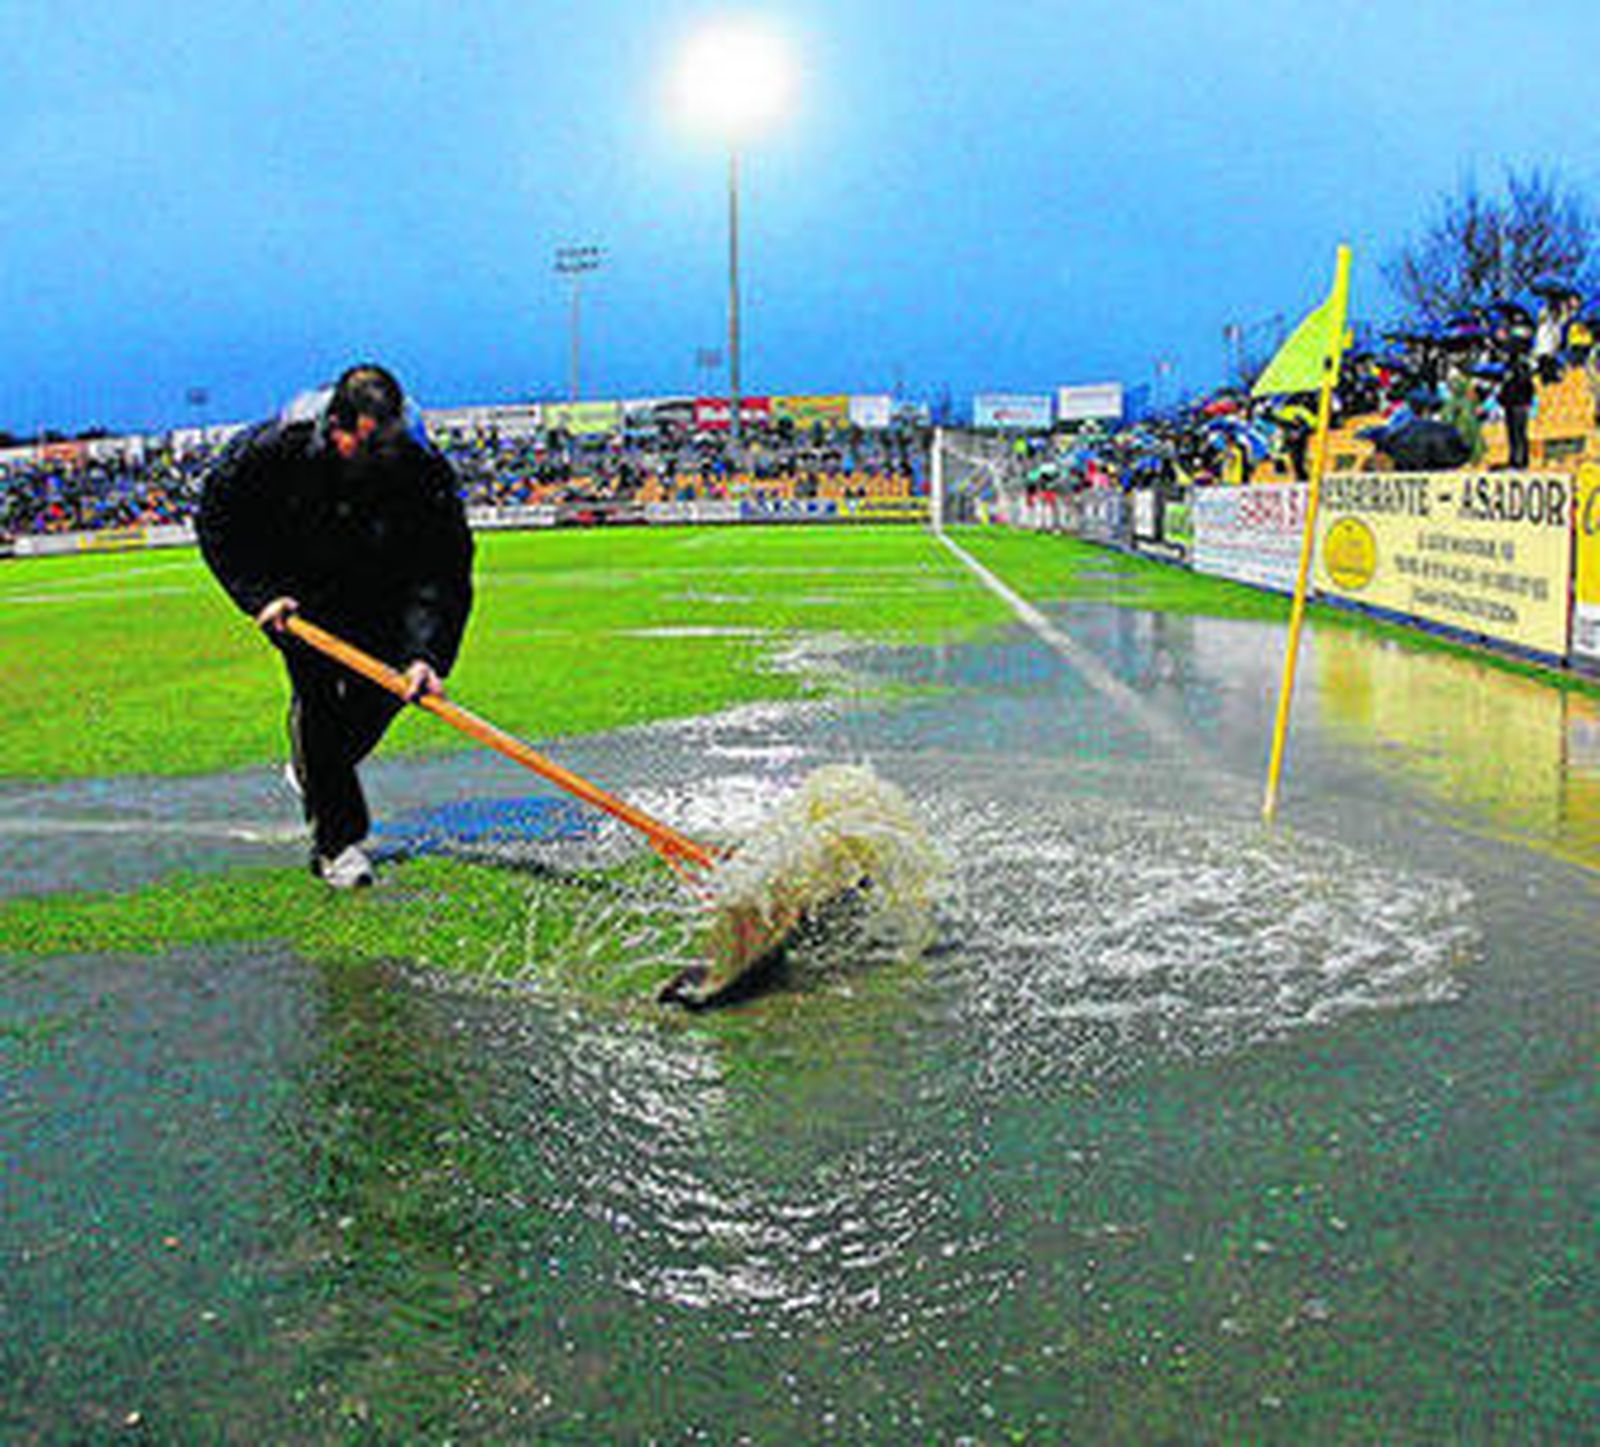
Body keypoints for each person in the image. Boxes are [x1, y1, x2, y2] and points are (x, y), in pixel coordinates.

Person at [197, 364, 474, 887]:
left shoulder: (420, 466)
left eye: (389, 444)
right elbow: (217, 519)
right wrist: (260, 595)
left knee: (392, 690)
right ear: (337, 427)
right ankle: (337, 845)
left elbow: (444, 569)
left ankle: (315, 768)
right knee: (320, 702)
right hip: (300, 593)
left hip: (383, 582)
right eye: (369, 445)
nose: (382, 457)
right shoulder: (275, 448)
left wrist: (425, 654)